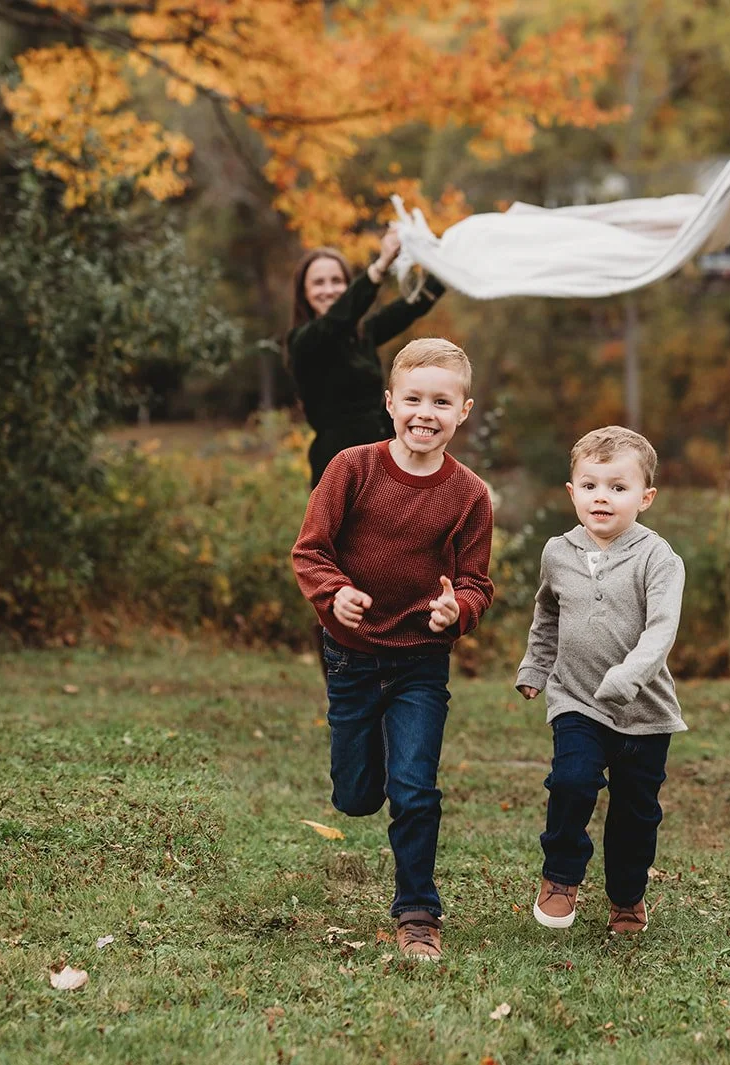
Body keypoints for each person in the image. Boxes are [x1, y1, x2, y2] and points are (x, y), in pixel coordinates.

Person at [291, 338, 495, 960]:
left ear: (462, 411)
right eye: (413, 399)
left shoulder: (469, 496)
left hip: (418, 663)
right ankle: (370, 763)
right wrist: (335, 592)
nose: (425, 412)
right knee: (356, 797)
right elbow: (310, 551)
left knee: (415, 788)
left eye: (441, 401)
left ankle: (417, 913)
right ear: (390, 403)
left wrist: (455, 610)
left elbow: (476, 583)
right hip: (351, 656)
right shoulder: (352, 468)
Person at [516, 426, 686, 934]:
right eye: (590, 486)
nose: (602, 497)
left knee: (637, 811)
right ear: (572, 492)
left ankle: (627, 895)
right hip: (577, 698)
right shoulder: (557, 552)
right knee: (571, 781)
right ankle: (561, 876)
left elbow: (663, 628)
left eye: (618, 487)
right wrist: (534, 668)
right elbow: (546, 615)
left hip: (645, 710)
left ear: (645, 497)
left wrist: (628, 676)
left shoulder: (659, 558)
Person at [286, 230, 446, 489]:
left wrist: (445, 264)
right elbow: (336, 321)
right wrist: (380, 266)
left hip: (383, 461)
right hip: (339, 469)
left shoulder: (363, 335)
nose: (329, 290)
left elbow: (412, 306)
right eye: (318, 283)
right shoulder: (303, 342)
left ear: (348, 287)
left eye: (337, 281)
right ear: (304, 293)